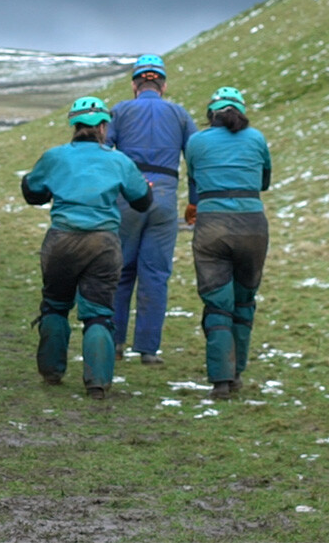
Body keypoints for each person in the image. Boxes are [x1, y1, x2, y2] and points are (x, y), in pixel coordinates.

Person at [21, 97, 153, 400]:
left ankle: (52, 371)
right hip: (103, 243)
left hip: (61, 239)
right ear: (103, 127)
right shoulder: (119, 160)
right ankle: (97, 383)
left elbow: (32, 193)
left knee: (55, 304)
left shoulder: (55, 157)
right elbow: (142, 201)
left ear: (74, 125)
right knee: (99, 314)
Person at [105, 54, 198, 364]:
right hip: (165, 201)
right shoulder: (180, 114)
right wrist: (194, 200)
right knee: (155, 274)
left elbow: (103, 154)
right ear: (163, 85)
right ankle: (147, 349)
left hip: (127, 198)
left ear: (135, 84)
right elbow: (196, 157)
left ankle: (114, 344)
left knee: (120, 272)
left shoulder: (119, 111)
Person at [185, 87, 271, 400]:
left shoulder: (196, 141)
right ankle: (237, 374)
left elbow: (194, 178)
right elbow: (264, 181)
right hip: (252, 224)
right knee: (244, 299)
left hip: (212, 225)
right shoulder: (257, 138)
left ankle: (221, 380)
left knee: (217, 302)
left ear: (212, 114)